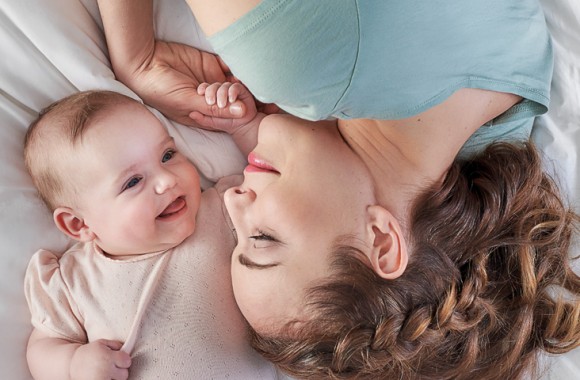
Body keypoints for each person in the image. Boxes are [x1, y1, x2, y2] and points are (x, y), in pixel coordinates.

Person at [96, 0, 580, 378]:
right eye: (263, 239)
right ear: (382, 240)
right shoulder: (297, 58)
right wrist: (134, 57)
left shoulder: (506, 113)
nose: (230, 200)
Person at [22, 90, 276, 380]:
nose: (167, 180)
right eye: (133, 182)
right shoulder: (74, 281)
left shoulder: (222, 207)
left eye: (168, 155)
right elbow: (42, 347)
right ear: (79, 224)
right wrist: (73, 364)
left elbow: (276, 176)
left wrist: (245, 126)